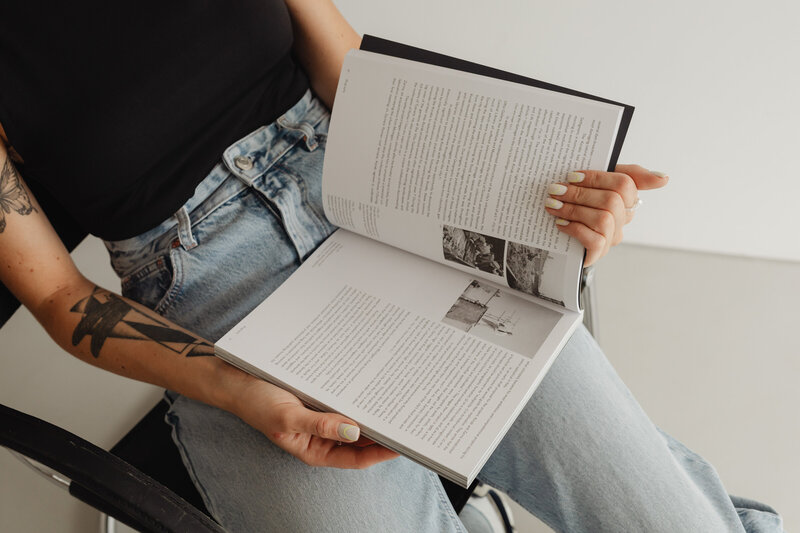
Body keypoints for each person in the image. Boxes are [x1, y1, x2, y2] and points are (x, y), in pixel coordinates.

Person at [0, 1, 784, 532]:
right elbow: (61, 298)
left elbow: (351, 76)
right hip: (211, 300)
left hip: (375, 207)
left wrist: (542, 212)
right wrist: (238, 389)